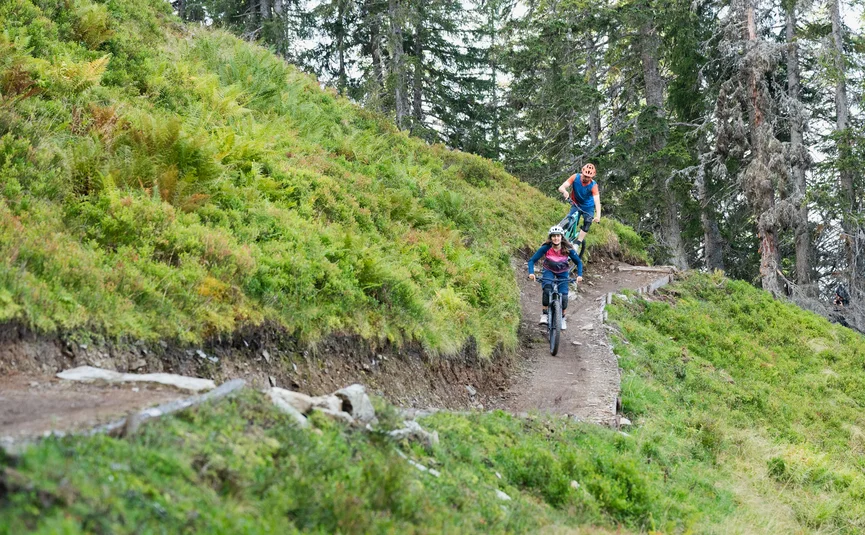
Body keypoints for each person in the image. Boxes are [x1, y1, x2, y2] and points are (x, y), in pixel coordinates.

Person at [528, 225, 584, 330]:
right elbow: (531, 261)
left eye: (558, 236)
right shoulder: (546, 248)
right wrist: (531, 273)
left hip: (563, 272)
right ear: (550, 237)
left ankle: (562, 318)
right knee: (547, 289)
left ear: (561, 237)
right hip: (548, 270)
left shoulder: (567, 249)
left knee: (564, 296)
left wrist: (579, 275)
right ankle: (544, 314)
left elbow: (579, 262)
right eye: (553, 236)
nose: (556, 238)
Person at [557, 163, 601, 250]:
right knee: (568, 220)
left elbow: (597, 200)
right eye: (585, 176)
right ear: (582, 173)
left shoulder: (593, 185)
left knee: (588, 221)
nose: (586, 178)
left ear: (592, 176)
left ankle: (578, 243)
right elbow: (561, 187)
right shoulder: (575, 177)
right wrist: (564, 191)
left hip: (588, 207)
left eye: (589, 177)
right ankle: (561, 236)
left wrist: (598, 216)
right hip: (576, 203)